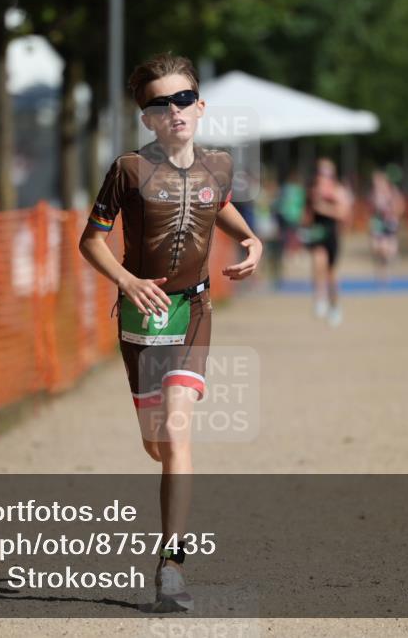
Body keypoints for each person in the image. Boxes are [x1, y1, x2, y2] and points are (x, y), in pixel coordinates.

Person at [78, 53, 262, 611]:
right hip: (142, 316)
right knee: (157, 443)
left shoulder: (221, 165)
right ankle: (168, 516)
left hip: (194, 310)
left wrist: (251, 240)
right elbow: (90, 241)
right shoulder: (128, 170)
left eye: (183, 99)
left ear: (200, 106)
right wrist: (127, 280)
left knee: (178, 434)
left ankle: (171, 565)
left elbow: (219, 205)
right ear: (148, 119)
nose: (174, 110)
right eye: (161, 103)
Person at [302, 157, 352, 326]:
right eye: (320, 172)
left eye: (326, 173)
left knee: (331, 273)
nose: (323, 176)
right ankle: (319, 298)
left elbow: (344, 214)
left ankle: (335, 306)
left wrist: (324, 207)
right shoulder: (312, 191)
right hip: (317, 233)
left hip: (331, 234)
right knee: (318, 261)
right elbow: (306, 214)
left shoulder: (338, 191)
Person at [368, 169, 405, 278]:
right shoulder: (373, 193)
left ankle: (385, 268)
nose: (376, 183)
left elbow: (401, 206)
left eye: (378, 181)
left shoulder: (393, 191)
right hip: (378, 221)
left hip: (390, 221)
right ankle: (383, 263)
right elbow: (370, 208)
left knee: (386, 247)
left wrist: (394, 213)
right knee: (375, 247)